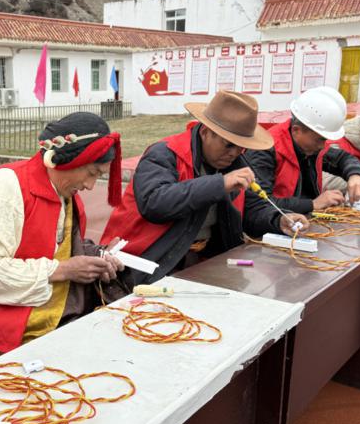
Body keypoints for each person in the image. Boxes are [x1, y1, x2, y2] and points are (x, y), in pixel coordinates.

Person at [0, 112, 124, 359]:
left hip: (53, 324)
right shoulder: (6, 185)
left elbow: (60, 247)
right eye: (92, 173)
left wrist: (98, 255)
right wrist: (63, 270)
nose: (90, 186)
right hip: (10, 333)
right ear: (67, 160)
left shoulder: (67, 194)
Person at [101, 90, 309, 287]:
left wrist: (278, 219)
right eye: (229, 144)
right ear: (205, 132)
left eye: (241, 147)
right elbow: (155, 203)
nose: (235, 153)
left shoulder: (236, 163)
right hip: (145, 261)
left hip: (200, 260)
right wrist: (220, 184)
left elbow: (251, 209)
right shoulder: (164, 154)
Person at [246, 86, 360, 214]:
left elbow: (342, 158)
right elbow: (260, 204)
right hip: (277, 222)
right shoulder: (264, 150)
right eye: (320, 140)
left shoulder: (311, 146)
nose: (323, 146)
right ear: (296, 130)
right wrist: (313, 204)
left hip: (301, 218)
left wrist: (356, 176)